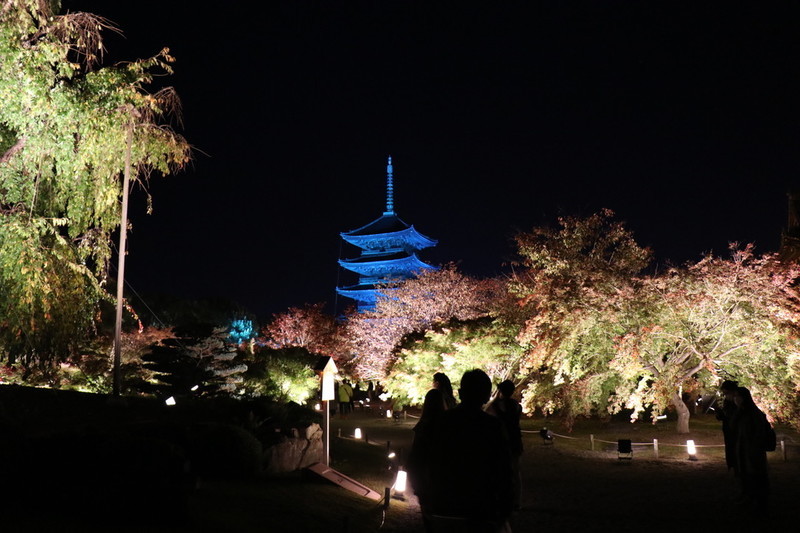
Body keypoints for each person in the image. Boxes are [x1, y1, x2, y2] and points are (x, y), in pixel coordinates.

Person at [426, 369, 513, 532]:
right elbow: (504, 470)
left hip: (445, 503)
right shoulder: (492, 427)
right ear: (487, 396)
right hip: (481, 505)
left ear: (460, 393)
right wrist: (505, 506)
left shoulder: (443, 422)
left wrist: (426, 497)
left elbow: (426, 459)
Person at [731, 386, 770, 515]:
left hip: (753, 450)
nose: (735, 399)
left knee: (756, 475)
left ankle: (760, 503)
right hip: (743, 448)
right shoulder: (741, 412)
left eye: (738, 396)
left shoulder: (754, 413)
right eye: (735, 396)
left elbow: (758, 433)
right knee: (746, 475)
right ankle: (748, 497)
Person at [486, 380, 523, 511]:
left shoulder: (494, 407)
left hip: (500, 442)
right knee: (515, 471)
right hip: (515, 441)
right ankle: (516, 501)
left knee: (498, 471)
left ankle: (500, 498)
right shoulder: (516, 406)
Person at [716, 380, 739, 473]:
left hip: (735, 429)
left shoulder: (737, 402)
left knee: (735, 447)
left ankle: (736, 466)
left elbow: (732, 415)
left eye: (726, 393)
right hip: (728, 428)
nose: (725, 395)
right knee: (730, 447)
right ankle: (732, 465)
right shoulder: (727, 401)